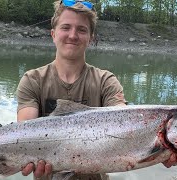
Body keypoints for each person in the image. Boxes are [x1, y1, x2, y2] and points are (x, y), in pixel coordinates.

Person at [16, 0, 127, 179]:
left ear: (91, 38)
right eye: (66, 27)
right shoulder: (32, 80)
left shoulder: (106, 81)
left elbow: (124, 122)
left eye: (82, 30)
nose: (73, 35)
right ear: (53, 34)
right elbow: (23, 133)